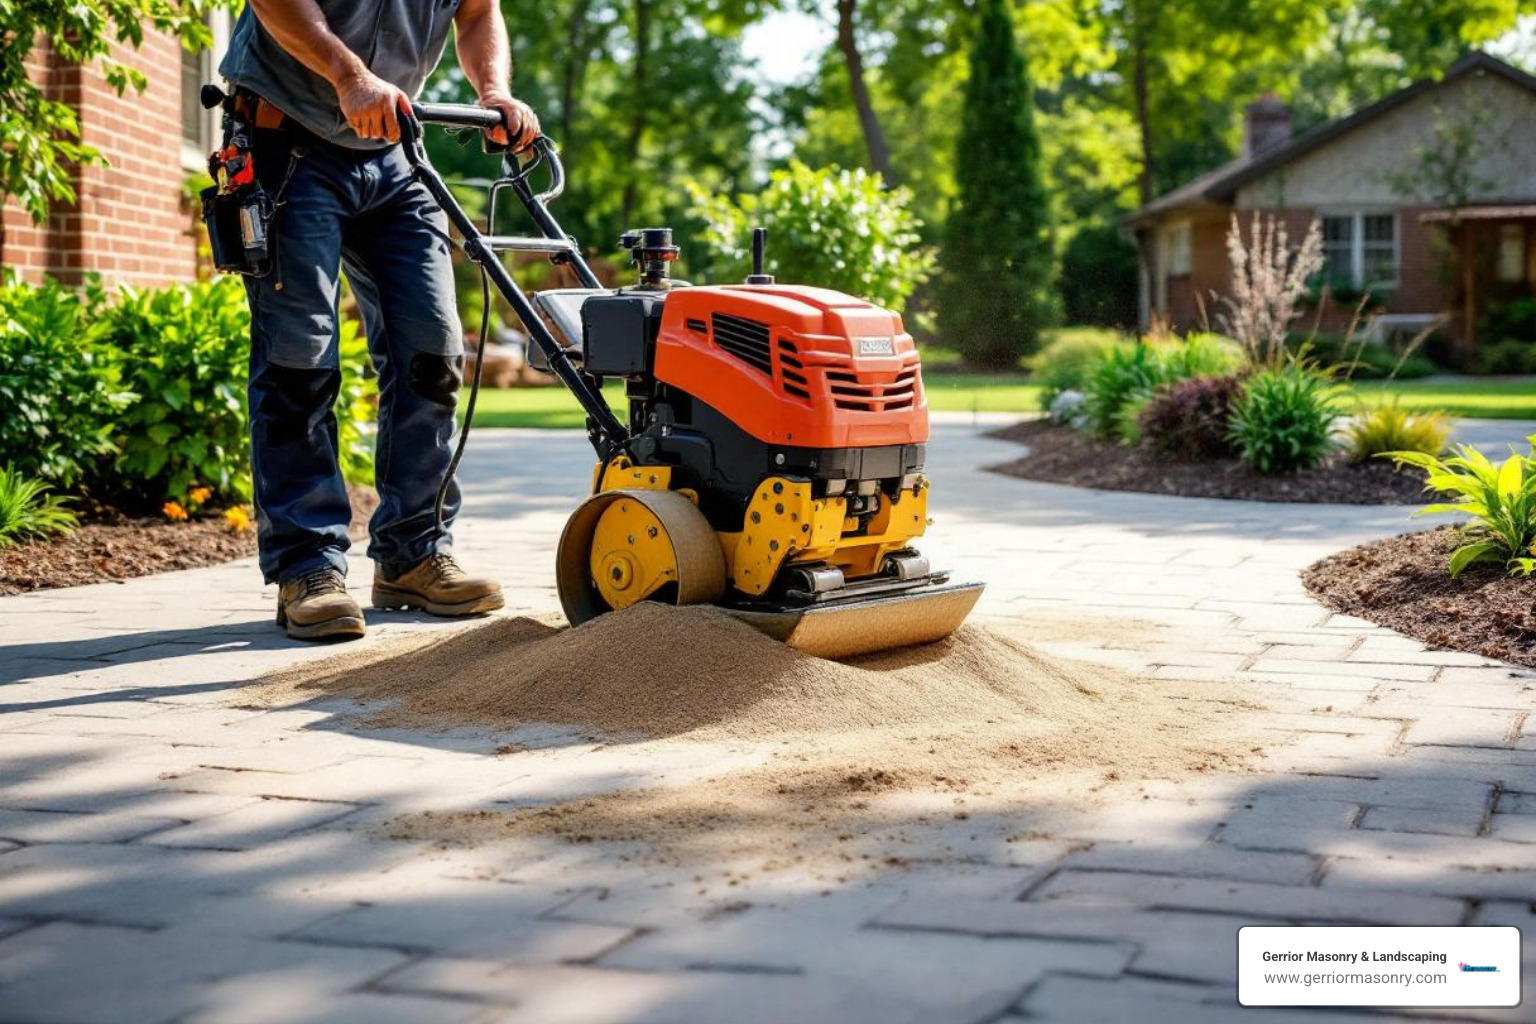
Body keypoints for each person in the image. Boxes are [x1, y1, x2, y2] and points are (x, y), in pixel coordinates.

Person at [218, 0, 540, 640]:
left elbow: (477, 13)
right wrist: (348, 75)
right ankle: (306, 565)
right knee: (300, 359)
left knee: (434, 355)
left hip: (393, 154)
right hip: (285, 140)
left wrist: (495, 90)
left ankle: (412, 552)